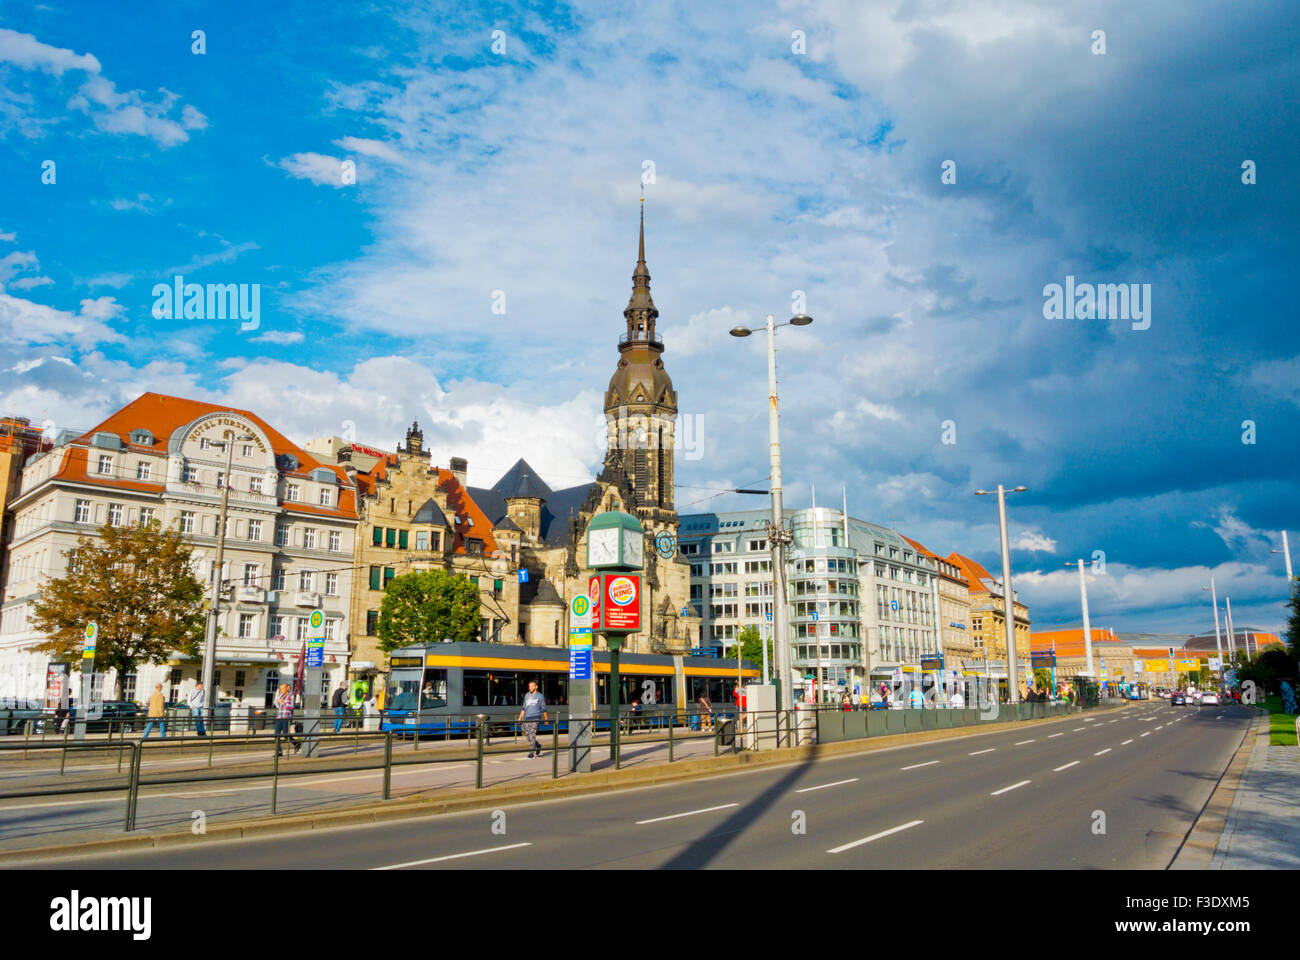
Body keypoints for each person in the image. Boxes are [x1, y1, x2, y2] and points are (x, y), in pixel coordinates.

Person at [517, 679, 547, 758]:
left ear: (536, 687)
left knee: (532, 734)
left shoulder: (540, 696)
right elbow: (524, 708)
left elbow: (543, 708)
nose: (530, 688)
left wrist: (546, 719)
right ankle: (538, 745)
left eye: (531, 686)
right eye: (529, 686)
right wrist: (519, 718)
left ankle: (531, 753)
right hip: (527, 717)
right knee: (528, 736)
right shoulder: (526, 695)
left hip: (536, 717)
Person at [274, 682, 298, 756]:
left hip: (286, 717)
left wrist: (283, 703)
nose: (281, 690)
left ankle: (296, 743)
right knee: (276, 734)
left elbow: (292, 707)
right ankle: (279, 751)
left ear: (287, 688)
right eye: (281, 689)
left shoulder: (291, 696)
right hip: (279, 717)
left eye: (283, 689)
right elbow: (278, 706)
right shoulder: (280, 696)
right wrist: (277, 703)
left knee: (285, 734)